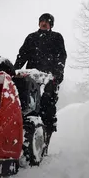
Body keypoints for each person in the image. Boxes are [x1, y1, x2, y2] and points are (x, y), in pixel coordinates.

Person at [14, 13, 67, 154]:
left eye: (47, 22)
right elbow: (22, 55)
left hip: (49, 79)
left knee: (47, 110)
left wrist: (56, 76)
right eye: (42, 21)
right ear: (39, 23)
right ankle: (26, 139)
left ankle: (44, 144)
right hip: (31, 79)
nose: (44, 23)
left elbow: (61, 57)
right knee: (28, 109)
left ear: (51, 25)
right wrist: (14, 71)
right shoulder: (31, 38)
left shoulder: (57, 38)